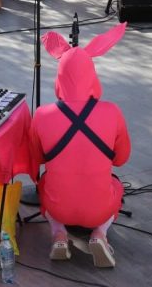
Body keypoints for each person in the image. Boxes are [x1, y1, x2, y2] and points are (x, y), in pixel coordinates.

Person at [33, 23, 131, 267]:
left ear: (60, 77)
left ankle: (58, 234)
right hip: (99, 209)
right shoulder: (112, 111)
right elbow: (121, 159)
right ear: (92, 75)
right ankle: (100, 234)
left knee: (44, 183)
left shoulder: (42, 114)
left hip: (59, 208)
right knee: (117, 186)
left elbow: (37, 159)